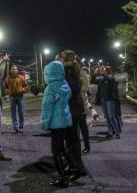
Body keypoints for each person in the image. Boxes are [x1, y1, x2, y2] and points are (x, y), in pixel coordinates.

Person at [41, 61, 72, 188]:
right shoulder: (65, 84)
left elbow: (47, 108)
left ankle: (62, 178)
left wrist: (44, 125)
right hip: (65, 119)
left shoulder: (50, 88)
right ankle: (75, 167)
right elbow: (68, 97)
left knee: (56, 150)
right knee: (62, 147)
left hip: (55, 122)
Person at [61, 50, 87, 180]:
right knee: (74, 139)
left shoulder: (67, 71)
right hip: (76, 107)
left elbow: (68, 90)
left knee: (71, 140)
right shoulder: (75, 69)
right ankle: (74, 166)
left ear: (64, 58)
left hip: (70, 108)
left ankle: (78, 167)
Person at [92, 65, 120, 139]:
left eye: (104, 70)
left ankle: (117, 133)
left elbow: (109, 79)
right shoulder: (102, 79)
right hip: (103, 100)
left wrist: (102, 73)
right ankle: (110, 132)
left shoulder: (111, 78)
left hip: (110, 100)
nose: (102, 71)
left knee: (111, 117)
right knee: (107, 118)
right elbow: (92, 81)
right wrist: (95, 73)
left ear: (108, 71)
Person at [4, 65, 29, 134]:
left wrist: (22, 90)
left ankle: (21, 127)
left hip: (20, 97)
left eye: (15, 69)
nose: (14, 70)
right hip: (11, 97)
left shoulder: (21, 78)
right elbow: (5, 87)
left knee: (21, 112)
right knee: (13, 113)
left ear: (17, 70)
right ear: (10, 71)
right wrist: (7, 92)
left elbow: (26, 86)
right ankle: (15, 128)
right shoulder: (7, 78)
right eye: (12, 69)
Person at [76, 56, 91, 154]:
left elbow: (86, 87)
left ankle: (87, 146)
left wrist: (76, 90)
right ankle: (76, 147)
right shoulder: (69, 73)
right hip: (72, 102)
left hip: (81, 102)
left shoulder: (83, 73)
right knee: (73, 128)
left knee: (83, 126)